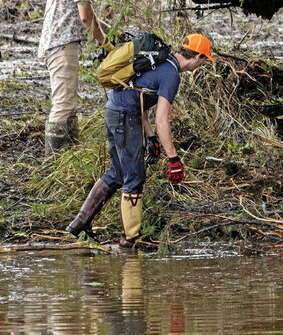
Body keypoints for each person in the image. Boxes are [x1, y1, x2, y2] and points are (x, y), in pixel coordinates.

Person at [65, 33, 216, 248]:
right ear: (197, 57)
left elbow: (141, 101)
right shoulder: (171, 74)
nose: (201, 66)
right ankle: (130, 240)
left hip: (114, 111)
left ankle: (79, 225)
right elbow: (162, 120)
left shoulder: (160, 60)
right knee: (135, 177)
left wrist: (151, 137)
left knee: (117, 173)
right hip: (125, 116)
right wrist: (174, 159)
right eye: (204, 61)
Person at [38, 0, 112, 156]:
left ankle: (68, 154)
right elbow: (85, 17)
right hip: (62, 43)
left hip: (61, 42)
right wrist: (105, 44)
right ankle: (53, 162)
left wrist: (108, 29)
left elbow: (86, 14)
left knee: (69, 105)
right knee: (63, 105)